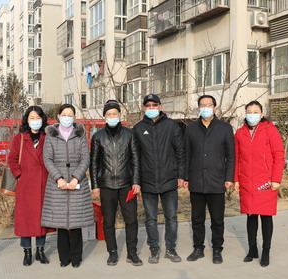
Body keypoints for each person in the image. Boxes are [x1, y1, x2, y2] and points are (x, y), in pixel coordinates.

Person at [133, 94, 185, 264]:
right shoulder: (138, 128)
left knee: (171, 217)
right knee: (150, 218)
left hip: (169, 179)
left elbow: (180, 151)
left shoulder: (172, 126)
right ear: (143, 108)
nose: (151, 108)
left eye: (154, 105)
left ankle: (171, 249)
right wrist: (136, 181)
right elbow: (135, 157)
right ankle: (154, 249)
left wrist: (181, 175)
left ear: (160, 107)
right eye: (148, 105)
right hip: (147, 181)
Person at [40, 104, 95, 268]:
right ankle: (64, 257)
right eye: (64, 114)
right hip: (58, 182)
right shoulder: (51, 135)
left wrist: (76, 178)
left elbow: (85, 158)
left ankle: (76, 257)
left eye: (70, 115)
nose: (67, 117)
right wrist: (59, 178)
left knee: (77, 221)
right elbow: (47, 159)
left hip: (77, 182)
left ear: (74, 117)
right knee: (61, 222)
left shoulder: (80, 134)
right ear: (58, 116)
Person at [183, 95, 235, 264]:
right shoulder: (191, 128)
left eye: (209, 105)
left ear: (215, 107)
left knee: (217, 219)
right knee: (197, 218)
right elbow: (187, 154)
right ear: (198, 108)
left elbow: (231, 155)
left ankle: (217, 249)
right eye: (202, 105)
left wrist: (229, 177)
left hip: (217, 180)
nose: (206, 108)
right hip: (196, 180)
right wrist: (185, 177)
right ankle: (198, 248)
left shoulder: (225, 128)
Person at [90, 100, 142, 267]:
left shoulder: (129, 134)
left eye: (115, 114)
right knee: (108, 221)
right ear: (104, 116)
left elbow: (136, 160)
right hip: (106, 185)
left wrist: (136, 182)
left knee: (131, 220)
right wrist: (95, 185)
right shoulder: (98, 136)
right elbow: (94, 163)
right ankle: (112, 252)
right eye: (109, 114)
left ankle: (132, 253)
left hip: (127, 184)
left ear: (119, 115)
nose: (112, 116)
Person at [234, 100, 285, 267]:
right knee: (250, 215)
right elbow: (236, 158)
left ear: (262, 114)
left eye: (255, 112)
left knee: (266, 215)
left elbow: (279, 155)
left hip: (266, 181)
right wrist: (236, 179)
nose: (252, 115)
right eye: (249, 112)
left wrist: (276, 179)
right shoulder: (240, 133)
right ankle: (252, 249)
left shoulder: (270, 130)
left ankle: (266, 251)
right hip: (246, 180)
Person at [8, 106, 55, 267]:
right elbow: (12, 159)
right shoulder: (20, 138)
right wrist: (19, 175)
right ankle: (27, 251)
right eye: (32, 118)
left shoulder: (48, 137)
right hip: (26, 185)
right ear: (27, 120)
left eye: (38, 118)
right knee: (26, 220)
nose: (35, 121)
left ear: (43, 119)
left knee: (42, 219)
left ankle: (41, 250)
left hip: (44, 184)